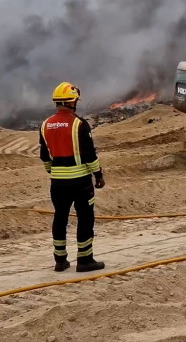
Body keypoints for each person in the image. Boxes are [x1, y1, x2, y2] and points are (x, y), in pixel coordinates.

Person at [39, 82, 106, 272]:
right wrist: (98, 175)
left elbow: (45, 157)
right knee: (85, 218)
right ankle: (85, 260)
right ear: (72, 102)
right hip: (81, 182)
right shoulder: (79, 124)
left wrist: (54, 171)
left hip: (58, 184)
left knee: (60, 217)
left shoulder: (45, 125)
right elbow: (89, 155)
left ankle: (60, 261)